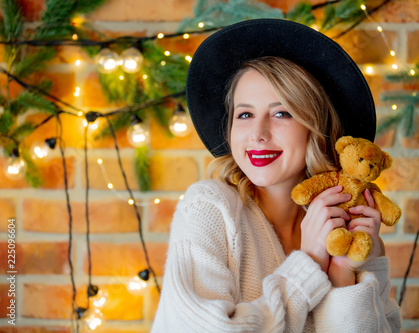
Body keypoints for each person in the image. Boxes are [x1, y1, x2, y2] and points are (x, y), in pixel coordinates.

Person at [151, 19, 401, 332]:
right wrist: (307, 264)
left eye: (281, 113)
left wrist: (342, 275)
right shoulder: (208, 209)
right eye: (245, 114)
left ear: (317, 129)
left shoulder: (352, 231)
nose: (258, 133)